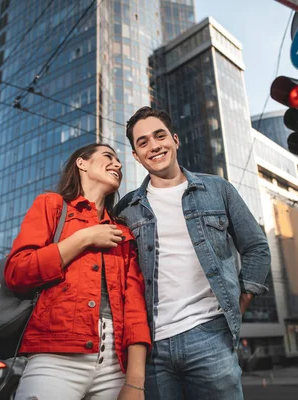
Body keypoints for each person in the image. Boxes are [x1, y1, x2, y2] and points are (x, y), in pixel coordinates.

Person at [114, 107, 271, 399]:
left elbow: (256, 247)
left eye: (160, 136)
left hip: (210, 336)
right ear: (136, 155)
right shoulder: (126, 209)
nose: (154, 146)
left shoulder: (217, 189)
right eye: (143, 142)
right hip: (150, 347)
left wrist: (240, 303)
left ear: (175, 140)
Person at [4, 143, 151, 400]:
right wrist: (84, 238)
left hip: (114, 365)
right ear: (81, 163)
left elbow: (135, 307)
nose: (118, 165)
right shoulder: (52, 205)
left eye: (119, 161)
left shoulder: (122, 232)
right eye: (108, 157)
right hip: (54, 358)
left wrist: (135, 382)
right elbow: (18, 271)